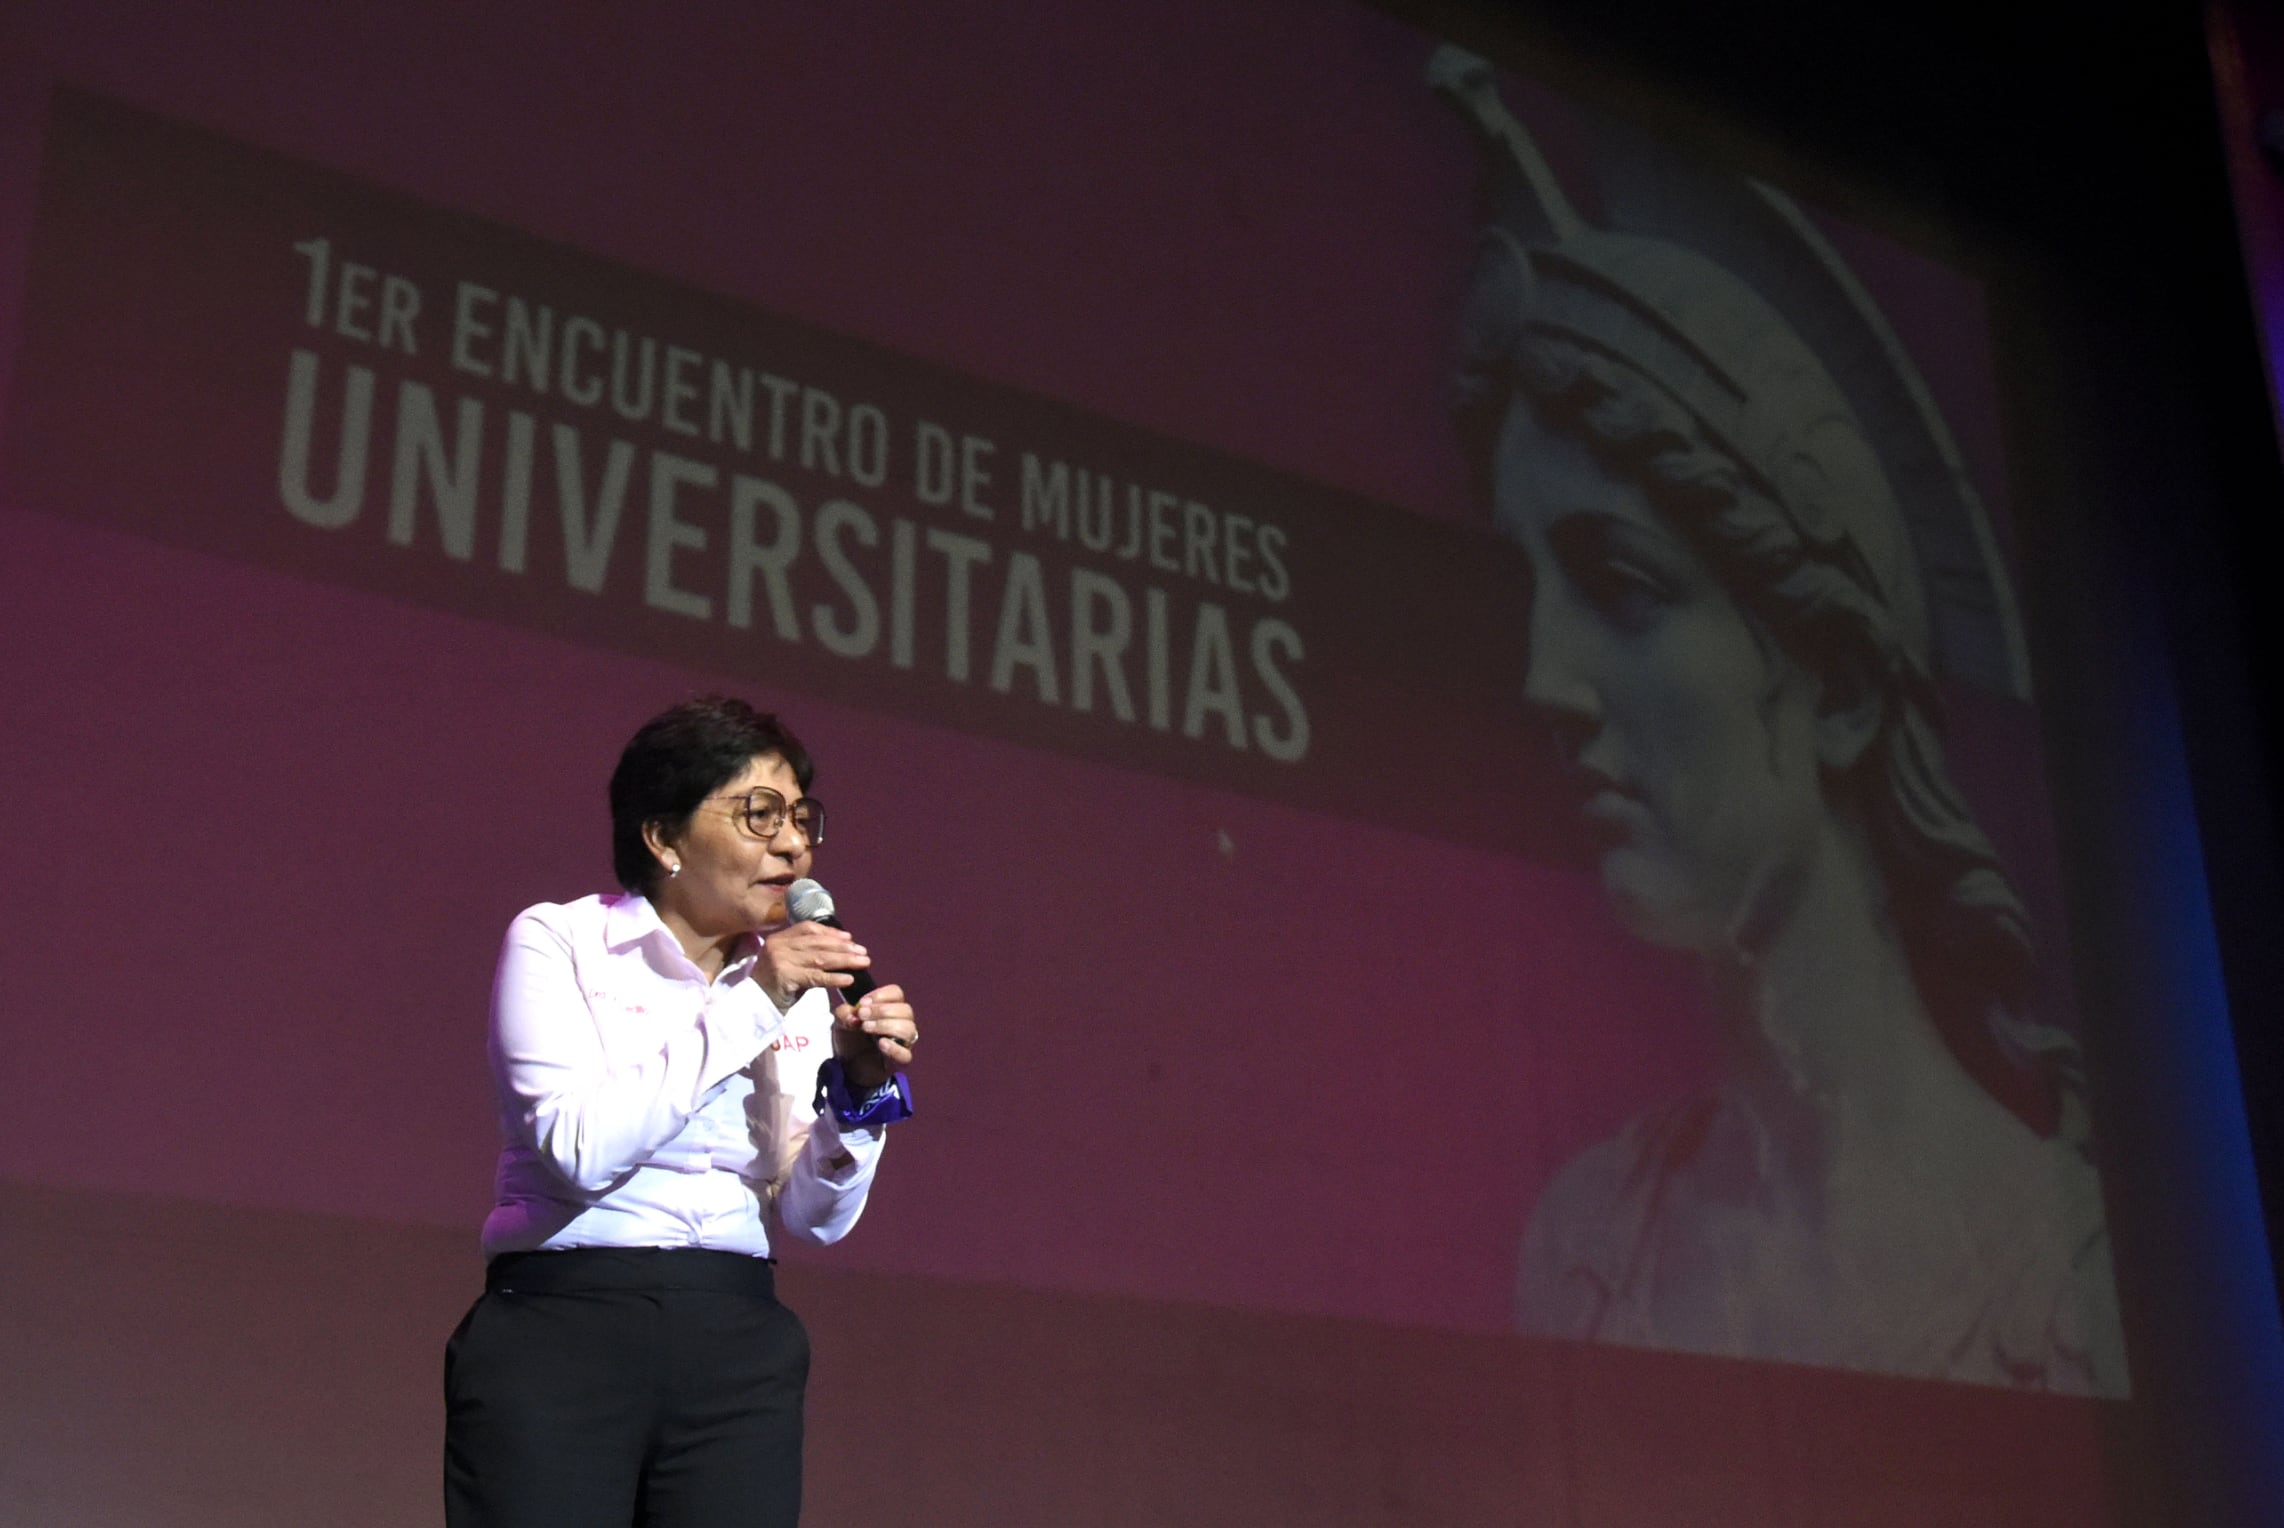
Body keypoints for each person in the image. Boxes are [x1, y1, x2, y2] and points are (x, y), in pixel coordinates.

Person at [1432, 47, 2127, 1394]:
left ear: (1843, 687)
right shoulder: (1584, 1249)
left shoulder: (2082, 1282)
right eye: (1531, 588)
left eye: (1621, 585)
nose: (1542, 681)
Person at [444, 696, 919, 1526]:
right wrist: (759, 998)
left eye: (801, 818)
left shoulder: (795, 990)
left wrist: (857, 1092)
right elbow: (577, 1149)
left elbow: (813, 1217)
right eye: (758, 814)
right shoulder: (561, 942)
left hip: (737, 1333)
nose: (792, 844)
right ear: (662, 838)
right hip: (565, 1323)